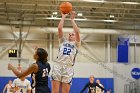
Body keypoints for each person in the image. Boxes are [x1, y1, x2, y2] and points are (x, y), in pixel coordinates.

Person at [51, 11, 81, 93]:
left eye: (72, 34)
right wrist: (63, 16)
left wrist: (72, 19)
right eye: (70, 34)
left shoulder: (76, 44)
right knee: (55, 92)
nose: (70, 35)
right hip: (58, 65)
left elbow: (77, 32)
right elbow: (60, 28)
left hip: (68, 68)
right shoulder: (62, 41)